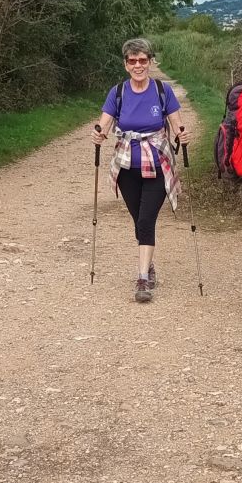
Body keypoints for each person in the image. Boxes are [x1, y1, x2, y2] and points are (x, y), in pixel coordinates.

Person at [91, 38, 192, 303]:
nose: (138, 65)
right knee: (138, 220)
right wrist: (99, 134)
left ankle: (142, 279)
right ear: (126, 65)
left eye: (143, 60)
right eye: (133, 61)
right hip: (127, 167)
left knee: (146, 220)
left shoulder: (162, 90)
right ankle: (149, 264)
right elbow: (104, 122)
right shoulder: (118, 93)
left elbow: (177, 123)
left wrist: (183, 134)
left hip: (158, 164)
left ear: (150, 62)